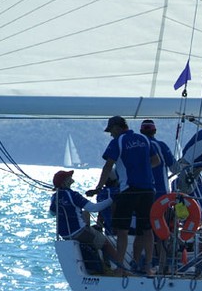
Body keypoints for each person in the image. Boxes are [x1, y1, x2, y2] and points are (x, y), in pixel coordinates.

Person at [86, 115, 160, 275]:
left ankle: (119, 267)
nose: (110, 134)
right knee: (147, 229)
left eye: (111, 131)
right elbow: (156, 161)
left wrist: (98, 187)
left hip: (129, 190)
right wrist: (142, 168)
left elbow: (108, 166)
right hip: (148, 190)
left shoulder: (118, 141)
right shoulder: (144, 139)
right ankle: (147, 267)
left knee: (122, 230)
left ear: (118, 128)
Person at [49, 170, 118, 272]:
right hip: (79, 232)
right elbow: (94, 208)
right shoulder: (73, 195)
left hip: (65, 234)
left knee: (94, 231)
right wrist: (112, 199)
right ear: (65, 182)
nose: (71, 178)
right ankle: (120, 269)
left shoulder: (55, 196)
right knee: (106, 243)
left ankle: (103, 266)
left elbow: (52, 212)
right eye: (69, 177)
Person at [139, 119, 180, 200]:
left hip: (140, 192)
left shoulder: (135, 148)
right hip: (161, 191)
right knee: (162, 212)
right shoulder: (161, 146)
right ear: (155, 131)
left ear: (141, 131)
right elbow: (176, 169)